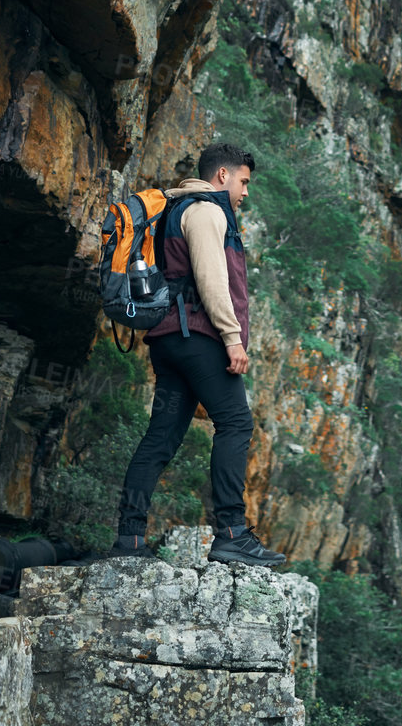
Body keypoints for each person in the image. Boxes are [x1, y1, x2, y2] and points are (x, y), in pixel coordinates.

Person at [109, 141, 285, 568]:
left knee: (160, 439)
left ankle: (129, 540)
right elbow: (210, 280)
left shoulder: (175, 208)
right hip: (198, 338)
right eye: (243, 181)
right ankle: (231, 534)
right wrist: (232, 338)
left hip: (168, 341)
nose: (245, 192)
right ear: (222, 175)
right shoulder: (206, 211)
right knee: (236, 424)